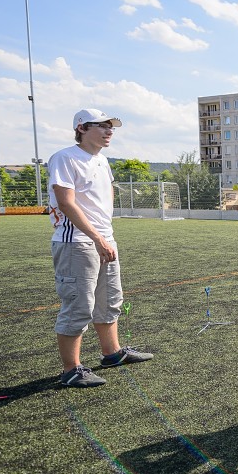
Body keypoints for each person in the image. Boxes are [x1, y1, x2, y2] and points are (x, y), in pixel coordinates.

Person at [48, 109, 154, 388]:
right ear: (82, 128)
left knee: (109, 301)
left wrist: (106, 235)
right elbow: (66, 203)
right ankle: (71, 370)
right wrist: (97, 237)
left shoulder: (102, 160)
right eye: (103, 126)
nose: (109, 131)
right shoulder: (65, 157)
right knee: (78, 304)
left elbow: (104, 197)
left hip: (104, 239)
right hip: (77, 243)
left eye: (112, 127)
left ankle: (112, 353)